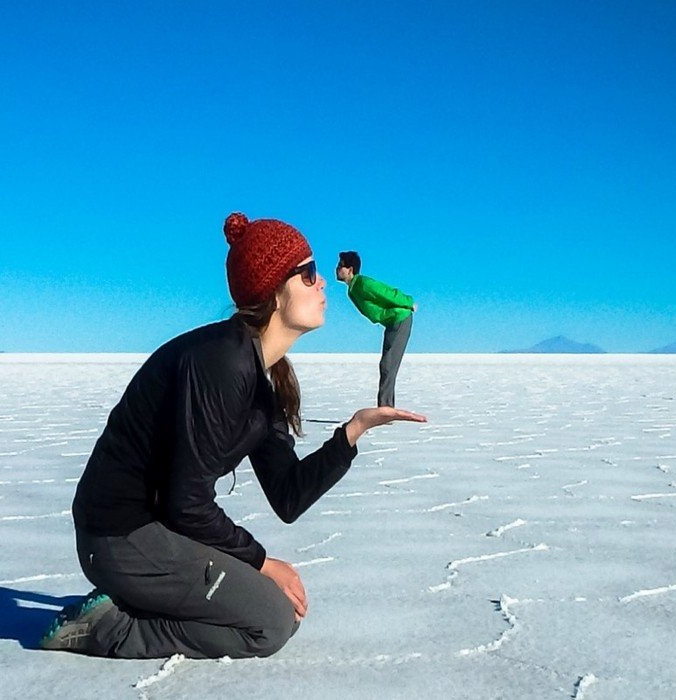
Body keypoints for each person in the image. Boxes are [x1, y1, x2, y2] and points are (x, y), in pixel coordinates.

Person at [40, 213, 426, 660]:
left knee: (271, 608)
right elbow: (186, 502)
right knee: (271, 621)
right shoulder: (221, 362)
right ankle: (110, 627)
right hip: (117, 535)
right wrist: (263, 562)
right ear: (273, 291)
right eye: (308, 273)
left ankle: (134, 600)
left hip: (157, 530)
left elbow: (288, 496)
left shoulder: (265, 381)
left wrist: (352, 433)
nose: (322, 284)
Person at [335, 251, 416, 408]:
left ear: (350, 269)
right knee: (386, 364)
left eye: (340, 266)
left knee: (388, 364)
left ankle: (385, 409)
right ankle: (386, 408)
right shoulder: (352, 289)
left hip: (400, 318)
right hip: (391, 322)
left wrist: (408, 302)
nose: (337, 269)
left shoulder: (363, 283)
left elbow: (385, 292)